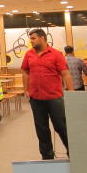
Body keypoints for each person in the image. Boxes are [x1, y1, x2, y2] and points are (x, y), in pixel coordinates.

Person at [21, 29, 71, 160]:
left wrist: (71, 93)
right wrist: (25, 89)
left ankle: (72, 152)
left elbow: (65, 73)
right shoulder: (29, 54)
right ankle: (47, 157)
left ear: (42, 38)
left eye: (33, 38)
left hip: (54, 98)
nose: (31, 41)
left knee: (61, 126)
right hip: (36, 98)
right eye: (30, 38)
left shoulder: (56, 54)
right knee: (41, 129)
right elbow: (25, 72)